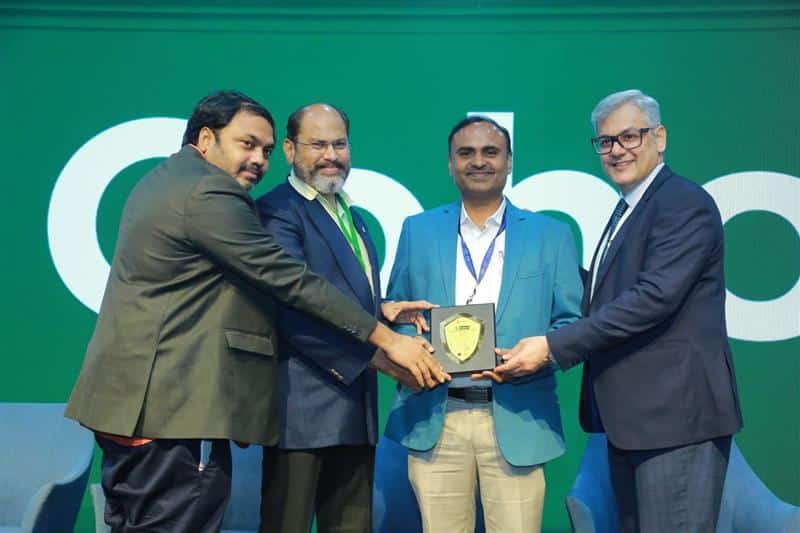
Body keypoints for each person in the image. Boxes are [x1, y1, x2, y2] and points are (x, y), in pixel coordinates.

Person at [64, 90, 446, 533]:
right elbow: (287, 281)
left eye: (264, 150)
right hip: (171, 408)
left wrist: (379, 309)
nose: (259, 160)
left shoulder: (166, 180)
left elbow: (231, 285)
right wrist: (386, 340)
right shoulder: (210, 191)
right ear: (206, 139)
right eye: (247, 144)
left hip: (138, 404)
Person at [495, 89, 743, 532]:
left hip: (673, 421)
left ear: (659, 137)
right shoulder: (630, 207)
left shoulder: (682, 203)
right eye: (606, 141)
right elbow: (606, 295)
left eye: (630, 136)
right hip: (634, 423)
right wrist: (535, 262)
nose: (616, 150)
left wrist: (552, 346)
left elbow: (653, 298)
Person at [382, 116, 583, 532]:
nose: (478, 161)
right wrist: (412, 351)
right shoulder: (418, 231)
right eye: (466, 153)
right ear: (450, 164)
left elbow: (571, 323)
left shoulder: (551, 235)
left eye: (490, 152)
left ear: (509, 162)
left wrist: (539, 355)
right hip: (436, 415)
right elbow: (397, 311)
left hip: (517, 416)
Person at [255, 103, 431, 533]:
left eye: (340, 144)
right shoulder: (277, 212)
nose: (331, 155)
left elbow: (335, 294)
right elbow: (293, 309)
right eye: (318, 144)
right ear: (290, 150)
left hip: (356, 411)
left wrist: (381, 310)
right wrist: (381, 356)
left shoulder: (350, 214)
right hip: (301, 416)